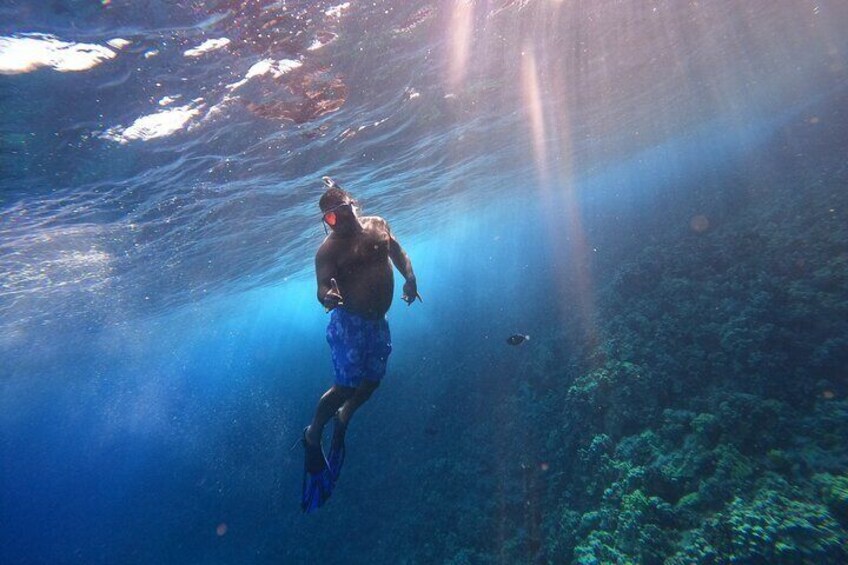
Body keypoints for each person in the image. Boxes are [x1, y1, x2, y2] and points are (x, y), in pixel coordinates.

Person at [301, 177, 420, 512]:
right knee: (345, 385)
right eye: (329, 221)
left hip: (377, 324)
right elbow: (322, 287)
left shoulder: (378, 226)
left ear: (352, 204)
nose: (336, 224)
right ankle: (312, 434)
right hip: (348, 326)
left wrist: (410, 277)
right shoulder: (328, 250)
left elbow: (397, 251)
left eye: (339, 214)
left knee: (372, 382)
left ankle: (344, 417)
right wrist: (329, 297)